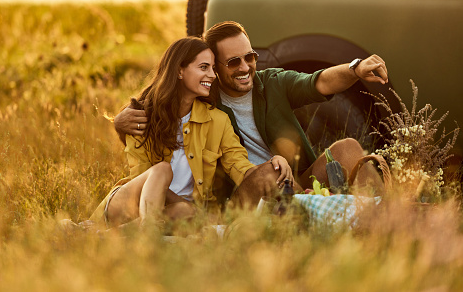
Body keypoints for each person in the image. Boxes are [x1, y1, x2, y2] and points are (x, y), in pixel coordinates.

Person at [114, 21, 388, 205]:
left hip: (292, 182)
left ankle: (388, 215)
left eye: (250, 57)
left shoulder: (272, 83)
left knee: (348, 148)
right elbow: (159, 100)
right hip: (243, 196)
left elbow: (320, 82)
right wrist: (120, 120)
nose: (245, 67)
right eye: (233, 62)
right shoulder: (205, 97)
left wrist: (355, 68)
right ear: (215, 68)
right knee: (267, 174)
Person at [90, 36, 295, 229]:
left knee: (183, 211)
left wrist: (274, 163)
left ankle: (107, 234)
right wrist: (196, 212)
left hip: (179, 214)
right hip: (129, 204)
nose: (212, 75)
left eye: (213, 68)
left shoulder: (217, 121)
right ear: (180, 71)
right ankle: (143, 230)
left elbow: (241, 168)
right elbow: (142, 179)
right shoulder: (141, 117)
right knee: (162, 171)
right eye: (203, 67)